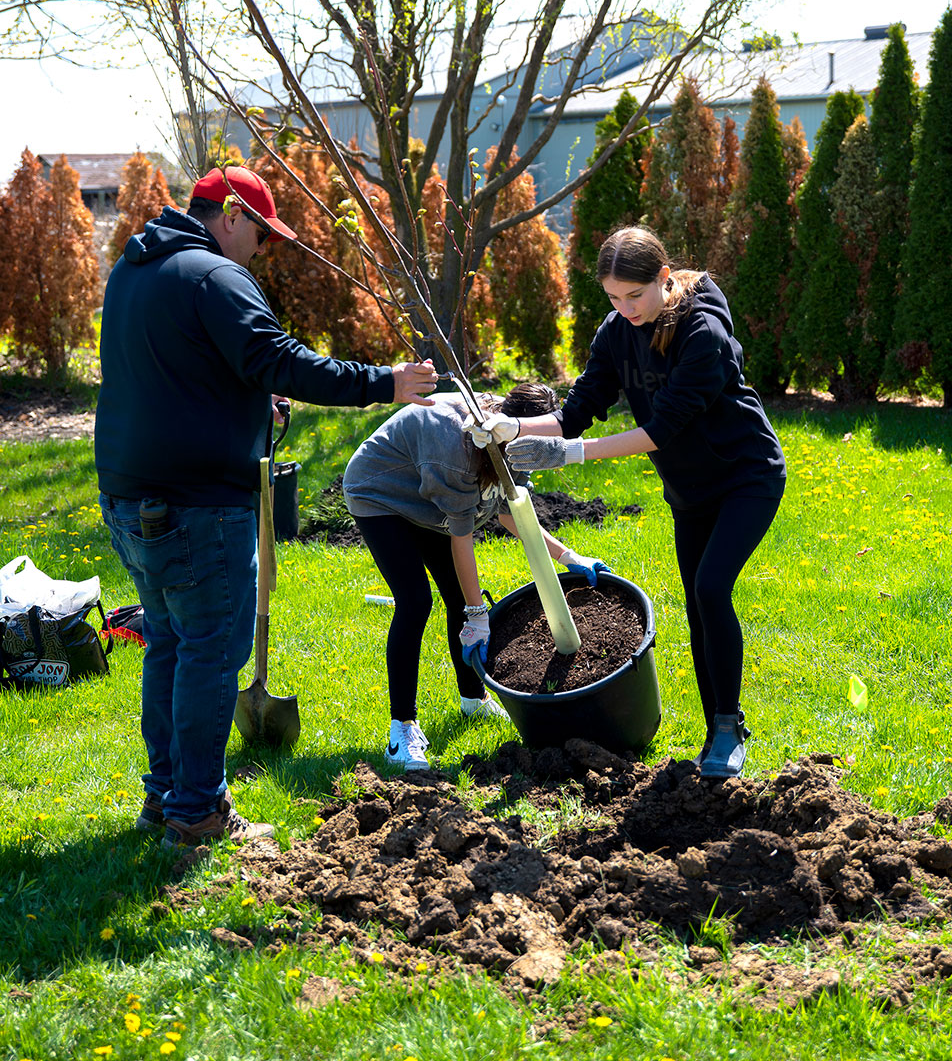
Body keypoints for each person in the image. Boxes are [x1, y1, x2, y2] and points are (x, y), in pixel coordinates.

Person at [95, 164, 438, 847]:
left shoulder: (137, 269)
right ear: (230, 215)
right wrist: (385, 382)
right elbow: (279, 358)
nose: (263, 249)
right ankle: (198, 814)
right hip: (197, 508)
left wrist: (245, 395)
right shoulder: (215, 277)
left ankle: (165, 797)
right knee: (210, 655)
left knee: (168, 643)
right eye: (261, 234)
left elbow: (183, 368)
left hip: (131, 499)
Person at [488, 226, 786, 779]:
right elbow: (578, 409)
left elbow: (661, 428)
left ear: (664, 278)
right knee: (700, 606)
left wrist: (572, 455)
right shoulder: (617, 331)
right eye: (613, 298)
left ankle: (726, 726)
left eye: (635, 295)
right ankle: (718, 727)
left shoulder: (703, 330)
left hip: (747, 476)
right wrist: (512, 426)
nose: (625, 309)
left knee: (711, 587)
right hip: (690, 492)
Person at [343, 383, 608, 771]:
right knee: (416, 602)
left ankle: (473, 699)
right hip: (380, 494)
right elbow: (461, 537)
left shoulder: (507, 438)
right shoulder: (457, 451)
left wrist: (569, 555)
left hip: (424, 498)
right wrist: (477, 612)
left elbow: (509, 508)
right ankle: (402, 729)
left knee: (456, 598)